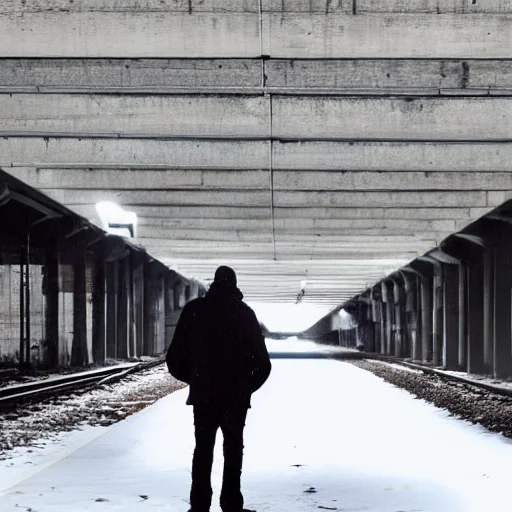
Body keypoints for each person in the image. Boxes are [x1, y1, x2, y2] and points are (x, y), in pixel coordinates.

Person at [166, 265, 271, 512]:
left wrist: (196, 379)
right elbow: (263, 364)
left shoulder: (194, 311)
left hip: (205, 397)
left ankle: (200, 505)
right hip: (235, 399)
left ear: (213, 283)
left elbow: (173, 359)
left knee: (203, 449)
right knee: (233, 450)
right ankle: (232, 504)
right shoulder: (245, 314)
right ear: (234, 286)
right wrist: (246, 388)